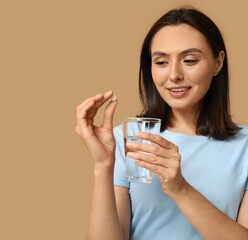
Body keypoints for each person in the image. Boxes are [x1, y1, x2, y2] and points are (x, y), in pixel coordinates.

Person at [75, 6, 248, 240]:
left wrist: (180, 189)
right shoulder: (128, 139)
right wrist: (103, 165)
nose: (174, 75)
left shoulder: (245, 146)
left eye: (189, 60)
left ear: (218, 63)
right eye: (161, 62)